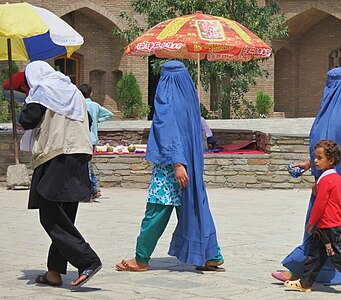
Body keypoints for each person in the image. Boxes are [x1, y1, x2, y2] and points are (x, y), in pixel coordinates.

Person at [115, 60, 224, 272]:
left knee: (156, 210)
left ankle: (141, 259)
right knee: (195, 208)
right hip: (190, 163)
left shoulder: (166, 100)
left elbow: (169, 131)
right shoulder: (190, 99)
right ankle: (211, 255)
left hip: (171, 165)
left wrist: (177, 163)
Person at [272, 67, 341, 285]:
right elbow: (339, 152)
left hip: (330, 185)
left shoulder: (330, 116)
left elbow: (325, 147)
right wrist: (310, 162)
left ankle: (300, 271)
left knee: (320, 227)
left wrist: (316, 173)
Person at [18, 61, 102, 289]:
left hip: (56, 154)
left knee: (50, 215)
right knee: (65, 214)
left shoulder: (43, 90)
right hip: (79, 154)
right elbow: (90, 120)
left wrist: (25, 105)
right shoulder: (73, 91)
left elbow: (27, 119)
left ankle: (88, 260)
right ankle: (54, 272)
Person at [284, 140, 341, 295]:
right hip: (328, 225)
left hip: (328, 226)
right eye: (315, 157)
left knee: (337, 256)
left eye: (319, 158)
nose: (315, 161)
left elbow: (320, 204)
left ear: (330, 160)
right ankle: (305, 282)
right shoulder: (336, 178)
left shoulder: (325, 179)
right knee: (315, 254)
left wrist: (311, 222)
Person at [79, 83, 114, 200]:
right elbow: (109, 114)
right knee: (87, 164)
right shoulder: (95, 105)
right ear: (91, 93)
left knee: (85, 165)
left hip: (82, 138)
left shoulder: (79, 105)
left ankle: (92, 188)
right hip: (93, 138)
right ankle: (93, 188)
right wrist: (98, 120)